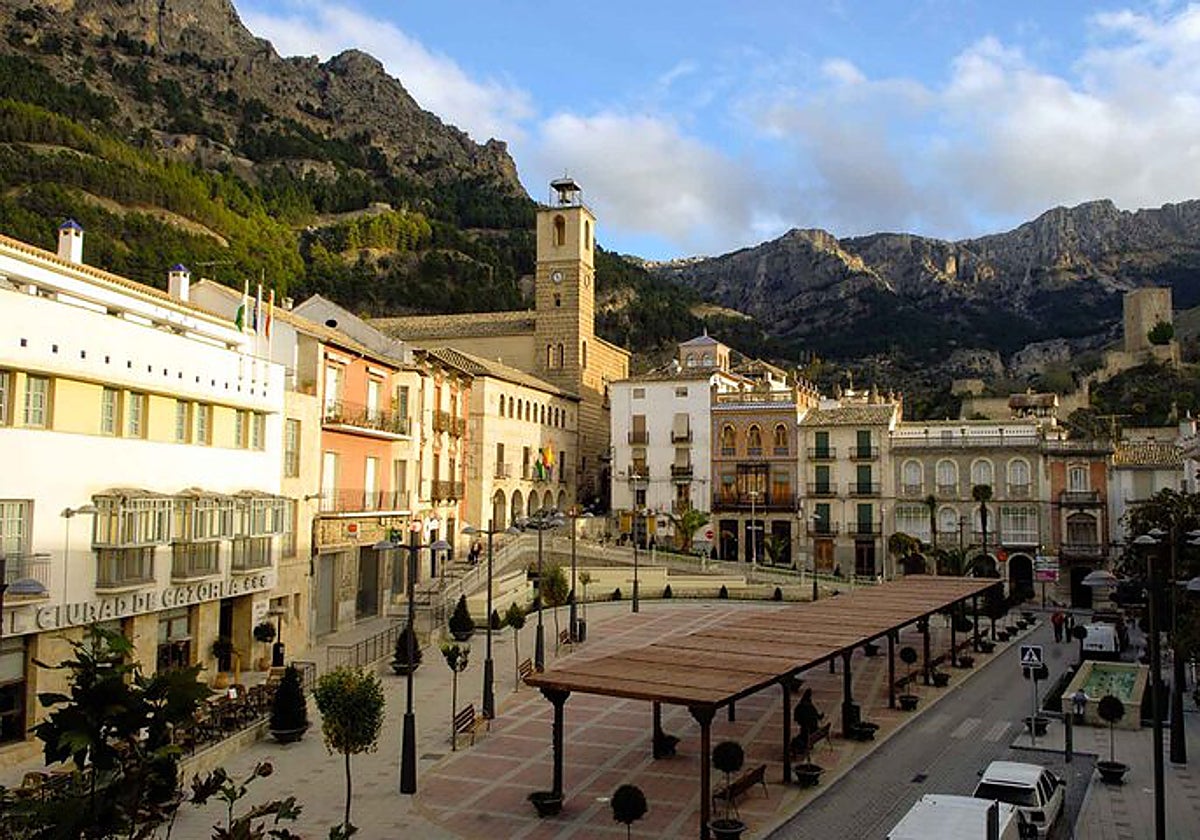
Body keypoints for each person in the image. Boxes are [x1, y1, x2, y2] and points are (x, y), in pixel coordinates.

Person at [791, 688, 824, 759]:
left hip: (807, 729)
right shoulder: (809, 706)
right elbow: (817, 715)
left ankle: (799, 747)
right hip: (812, 729)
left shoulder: (801, 707)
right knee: (804, 735)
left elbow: (796, 718)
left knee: (803, 736)